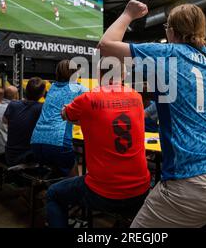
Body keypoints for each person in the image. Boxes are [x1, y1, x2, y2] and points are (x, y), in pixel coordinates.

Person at [97, 0, 206, 228]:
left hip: (198, 179)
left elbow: (106, 46)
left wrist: (128, 13)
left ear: (170, 31)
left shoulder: (167, 52)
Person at [45, 58, 150, 228]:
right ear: (123, 75)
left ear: (99, 75)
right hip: (141, 190)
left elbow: (66, 115)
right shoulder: (136, 97)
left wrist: (69, 111)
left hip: (103, 192)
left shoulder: (87, 98)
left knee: (53, 194)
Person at [30, 60, 88, 177]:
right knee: (73, 180)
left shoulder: (52, 87)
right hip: (58, 141)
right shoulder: (80, 89)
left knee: (54, 175)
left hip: (36, 141)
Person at [4, 77, 45, 166]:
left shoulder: (13, 104)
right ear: (42, 94)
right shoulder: (41, 108)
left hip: (10, 154)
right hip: (26, 157)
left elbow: (5, 121)